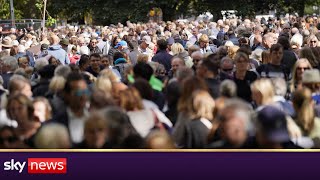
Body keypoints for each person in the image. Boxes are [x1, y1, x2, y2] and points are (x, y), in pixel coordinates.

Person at [52, 72, 90, 144]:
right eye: (78, 92)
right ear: (66, 94)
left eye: (85, 92)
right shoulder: (57, 123)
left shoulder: (95, 118)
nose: (83, 96)